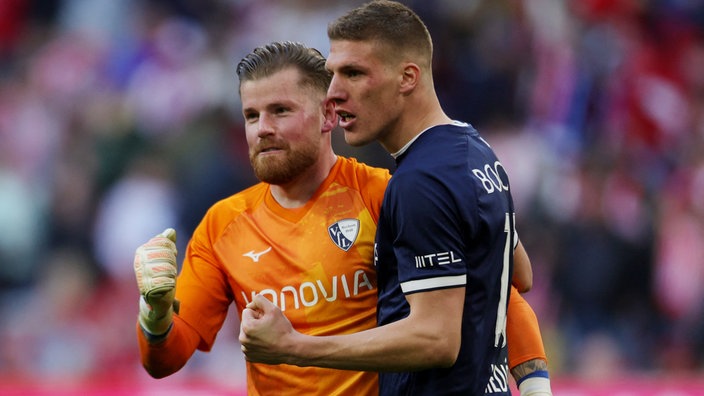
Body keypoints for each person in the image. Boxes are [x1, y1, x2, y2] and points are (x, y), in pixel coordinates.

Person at [134, 40, 549, 395]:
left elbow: (495, 289)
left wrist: (534, 384)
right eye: (251, 115)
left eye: (280, 111)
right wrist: (154, 312)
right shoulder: (223, 224)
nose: (262, 129)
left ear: (329, 116)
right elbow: (167, 358)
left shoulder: (386, 196)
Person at [238, 2, 552, 396]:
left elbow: (435, 339)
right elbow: (518, 269)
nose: (333, 93)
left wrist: (295, 346)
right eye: (332, 75)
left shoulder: (418, 184)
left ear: (407, 77)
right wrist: (537, 384)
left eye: (354, 73)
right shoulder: (474, 149)